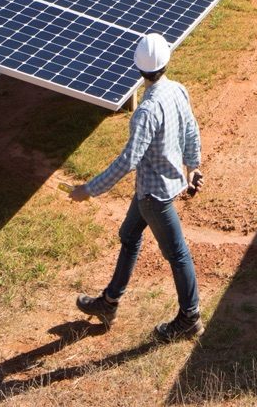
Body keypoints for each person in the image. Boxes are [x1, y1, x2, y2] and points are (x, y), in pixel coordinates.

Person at [69, 32, 205, 342]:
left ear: (138, 68)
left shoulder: (146, 111)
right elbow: (191, 129)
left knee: (178, 254)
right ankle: (109, 302)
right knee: (128, 236)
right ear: (166, 61)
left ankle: (190, 317)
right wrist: (193, 166)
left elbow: (129, 160)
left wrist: (88, 189)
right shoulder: (177, 91)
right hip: (161, 187)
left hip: (153, 197)